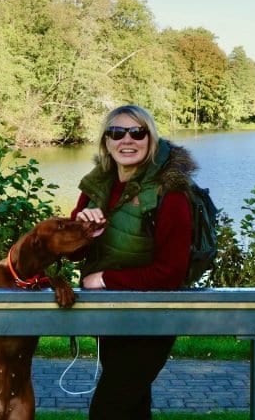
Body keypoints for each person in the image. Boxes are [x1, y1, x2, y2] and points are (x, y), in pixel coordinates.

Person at [68, 104, 197, 419]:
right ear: (106, 142)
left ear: (150, 139)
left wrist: (107, 279)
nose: (127, 140)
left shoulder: (172, 193)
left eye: (137, 132)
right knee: (133, 409)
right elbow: (71, 252)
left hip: (152, 322)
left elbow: (171, 273)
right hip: (110, 319)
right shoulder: (98, 185)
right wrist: (84, 232)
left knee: (107, 410)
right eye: (116, 132)